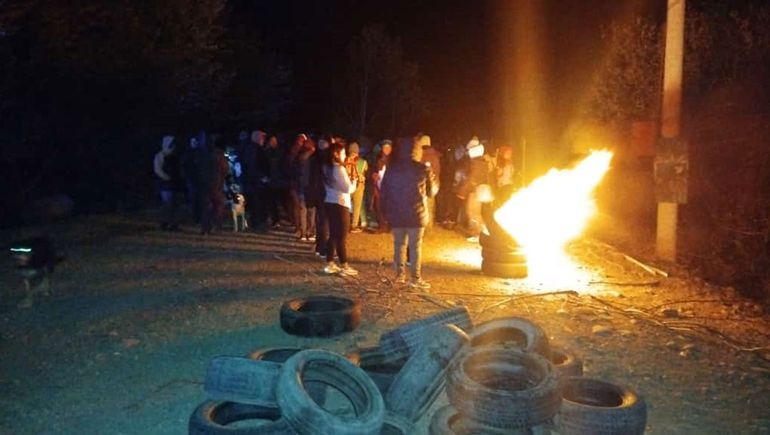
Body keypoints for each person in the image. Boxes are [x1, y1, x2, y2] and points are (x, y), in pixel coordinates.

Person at [381, 136, 436, 289]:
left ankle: (399, 276)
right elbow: (431, 193)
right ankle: (415, 278)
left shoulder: (392, 168)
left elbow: (384, 191)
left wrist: (385, 212)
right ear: (417, 151)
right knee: (415, 246)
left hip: (396, 214)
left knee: (399, 245)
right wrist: (432, 178)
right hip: (416, 215)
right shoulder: (422, 168)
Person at [322, 141, 358, 276]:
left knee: (333, 234)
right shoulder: (338, 169)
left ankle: (330, 263)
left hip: (329, 202)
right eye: (342, 153)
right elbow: (348, 188)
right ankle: (344, 265)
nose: (344, 156)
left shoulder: (326, 167)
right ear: (336, 154)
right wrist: (355, 182)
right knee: (341, 236)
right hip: (340, 203)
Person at [153, 135, 183, 231]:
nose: (174, 146)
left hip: (175, 184)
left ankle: (174, 224)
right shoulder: (160, 155)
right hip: (166, 185)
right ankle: (165, 223)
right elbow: (158, 169)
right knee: (167, 205)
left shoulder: (175, 156)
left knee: (175, 205)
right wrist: (167, 178)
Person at [308, 137, 331, 257]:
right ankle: (323, 248)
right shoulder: (325, 159)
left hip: (317, 192)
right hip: (324, 193)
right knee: (324, 221)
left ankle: (319, 245)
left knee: (320, 220)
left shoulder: (314, 158)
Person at [416, 134, 441, 228]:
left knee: (424, 204)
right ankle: (429, 224)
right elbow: (437, 171)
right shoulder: (435, 156)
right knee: (430, 204)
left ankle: (426, 225)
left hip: (425, 184)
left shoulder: (422, 156)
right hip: (434, 184)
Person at [297, 137, 317, 241]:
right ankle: (310, 232)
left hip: (303, 185)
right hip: (310, 186)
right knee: (311, 211)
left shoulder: (300, 156)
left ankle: (304, 233)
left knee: (304, 211)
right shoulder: (313, 157)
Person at [371, 140, 392, 233]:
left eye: (388, 148)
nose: (386, 149)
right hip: (379, 186)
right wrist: (373, 175)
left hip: (390, 187)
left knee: (390, 207)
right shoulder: (378, 159)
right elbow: (372, 170)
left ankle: (390, 226)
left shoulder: (393, 161)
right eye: (384, 148)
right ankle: (382, 226)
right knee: (379, 206)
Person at [347, 141, 368, 233]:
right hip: (359, 185)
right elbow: (365, 170)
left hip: (347, 185)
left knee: (346, 206)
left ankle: (345, 224)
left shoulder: (345, 159)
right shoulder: (363, 162)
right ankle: (354, 225)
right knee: (357, 206)